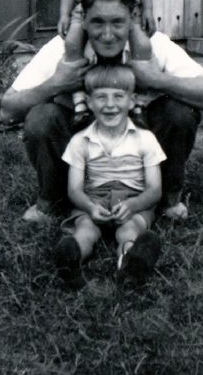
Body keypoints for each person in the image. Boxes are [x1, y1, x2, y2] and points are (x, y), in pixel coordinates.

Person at [0, 0, 203, 223]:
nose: (107, 35)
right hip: (83, 157)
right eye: (97, 22)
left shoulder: (154, 45)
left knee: (179, 112)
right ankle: (53, 201)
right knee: (41, 118)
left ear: (132, 19)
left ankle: (167, 200)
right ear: (83, 21)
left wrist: (156, 80)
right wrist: (56, 84)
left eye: (117, 22)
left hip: (141, 156)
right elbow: (7, 110)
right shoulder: (63, 48)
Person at [55, 64, 165, 289]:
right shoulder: (80, 141)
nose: (110, 105)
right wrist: (90, 207)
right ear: (89, 102)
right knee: (86, 228)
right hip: (93, 198)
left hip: (134, 198)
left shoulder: (145, 139)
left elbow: (154, 190)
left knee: (130, 229)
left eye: (118, 96)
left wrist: (134, 205)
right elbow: (74, 190)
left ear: (132, 100)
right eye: (101, 97)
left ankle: (131, 265)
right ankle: (70, 260)